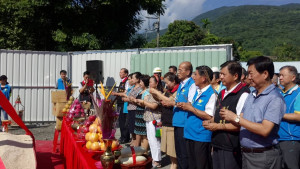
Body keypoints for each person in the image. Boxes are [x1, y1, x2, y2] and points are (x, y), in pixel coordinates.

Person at [219, 56, 285, 169]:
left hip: (263, 156)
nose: (248, 78)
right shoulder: (252, 95)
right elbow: (242, 118)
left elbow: (265, 130)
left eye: (251, 73)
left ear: (265, 74)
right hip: (246, 154)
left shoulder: (274, 98)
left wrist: (235, 118)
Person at [203, 61, 250, 169]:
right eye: (220, 74)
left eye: (224, 74)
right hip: (218, 143)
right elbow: (218, 115)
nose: (220, 77)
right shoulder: (222, 93)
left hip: (231, 146)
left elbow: (241, 123)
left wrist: (217, 126)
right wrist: (211, 122)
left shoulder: (243, 94)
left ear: (235, 76)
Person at [177, 66, 217, 169]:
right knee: (192, 165)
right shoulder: (197, 91)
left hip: (201, 135)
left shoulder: (211, 94)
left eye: (195, 74)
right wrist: (186, 106)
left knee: (201, 165)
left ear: (203, 78)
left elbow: (209, 115)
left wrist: (190, 108)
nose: (193, 77)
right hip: (190, 134)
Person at [163, 61, 196, 169]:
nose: (178, 72)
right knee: (179, 154)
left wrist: (173, 103)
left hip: (184, 123)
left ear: (188, 72)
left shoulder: (192, 85)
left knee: (184, 154)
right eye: (179, 69)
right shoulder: (182, 85)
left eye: (181, 70)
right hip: (177, 122)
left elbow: (190, 104)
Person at [150, 72, 180, 169]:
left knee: (173, 150)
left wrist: (157, 92)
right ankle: (173, 164)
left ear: (174, 81)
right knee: (168, 149)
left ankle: (174, 166)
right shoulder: (168, 90)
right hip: (165, 121)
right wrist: (154, 93)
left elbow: (168, 100)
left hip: (172, 122)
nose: (166, 85)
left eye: (167, 82)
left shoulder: (177, 91)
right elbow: (160, 99)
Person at [136, 75, 164, 168]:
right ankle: (154, 158)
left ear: (156, 83)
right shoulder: (149, 92)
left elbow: (154, 106)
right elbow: (146, 104)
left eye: (152, 82)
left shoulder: (158, 93)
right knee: (151, 139)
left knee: (156, 140)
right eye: (150, 82)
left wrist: (143, 102)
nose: (150, 83)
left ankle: (157, 160)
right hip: (148, 118)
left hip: (155, 119)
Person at [278, 65, 300, 169]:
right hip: (277, 139)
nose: (280, 78)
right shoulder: (278, 93)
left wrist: (278, 115)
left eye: (283, 75)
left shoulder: (298, 93)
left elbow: (298, 116)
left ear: (293, 77)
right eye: (279, 75)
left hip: (291, 139)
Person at [123, 72, 143, 146]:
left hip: (135, 109)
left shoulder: (140, 88)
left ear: (138, 79)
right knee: (131, 126)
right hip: (130, 108)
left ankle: (137, 143)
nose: (131, 80)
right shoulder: (133, 87)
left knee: (135, 126)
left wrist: (127, 99)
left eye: (133, 78)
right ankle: (134, 141)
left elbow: (135, 99)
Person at [131, 75, 150, 150]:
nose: (140, 83)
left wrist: (135, 101)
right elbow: (138, 102)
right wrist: (134, 101)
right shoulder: (140, 91)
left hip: (143, 114)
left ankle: (144, 151)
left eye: (141, 82)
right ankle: (138, 150)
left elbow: (144, 103)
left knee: (144, 134)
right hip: (138, 114)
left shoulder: (147, 92)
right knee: (138, 133)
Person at [117, 68, 130, 144]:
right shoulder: (122, 81)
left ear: (126, 74)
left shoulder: (127, 81)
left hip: (124, 103)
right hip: (120, 102)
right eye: (120, 72)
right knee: (121, 121)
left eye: (122, 72)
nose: (120, 74)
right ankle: (122, 136)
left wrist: (117, 94)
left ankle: (125, 137)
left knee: (124, 121)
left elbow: (126, 92)